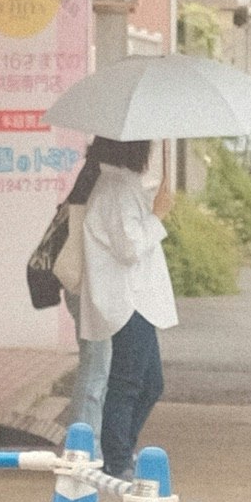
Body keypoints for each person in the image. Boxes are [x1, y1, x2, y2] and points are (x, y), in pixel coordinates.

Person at [65, 134, 177, 474]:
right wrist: (158, 216)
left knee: (148, 382)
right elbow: (128, 248)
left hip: (133, 299)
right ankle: (116, 459)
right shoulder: (118, 187)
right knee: (129, 382)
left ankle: (121, 450)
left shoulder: (118, 183)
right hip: (128, 301)